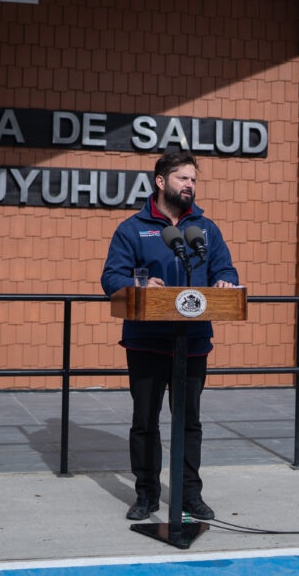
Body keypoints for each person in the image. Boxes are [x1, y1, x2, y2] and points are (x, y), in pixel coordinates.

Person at [101, 150, 239, 521]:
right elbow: (111, 277)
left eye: (193, 179)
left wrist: (226, 281)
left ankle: (189, 495)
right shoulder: (133, 228)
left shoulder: (205, 229)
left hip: (193, 341)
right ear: (161, 182)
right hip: (147, 341)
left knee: (189, 422)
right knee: (146, 421)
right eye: (183, 178)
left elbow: (225, 269)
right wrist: (138, 284)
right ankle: (146, 495)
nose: (190, 185)